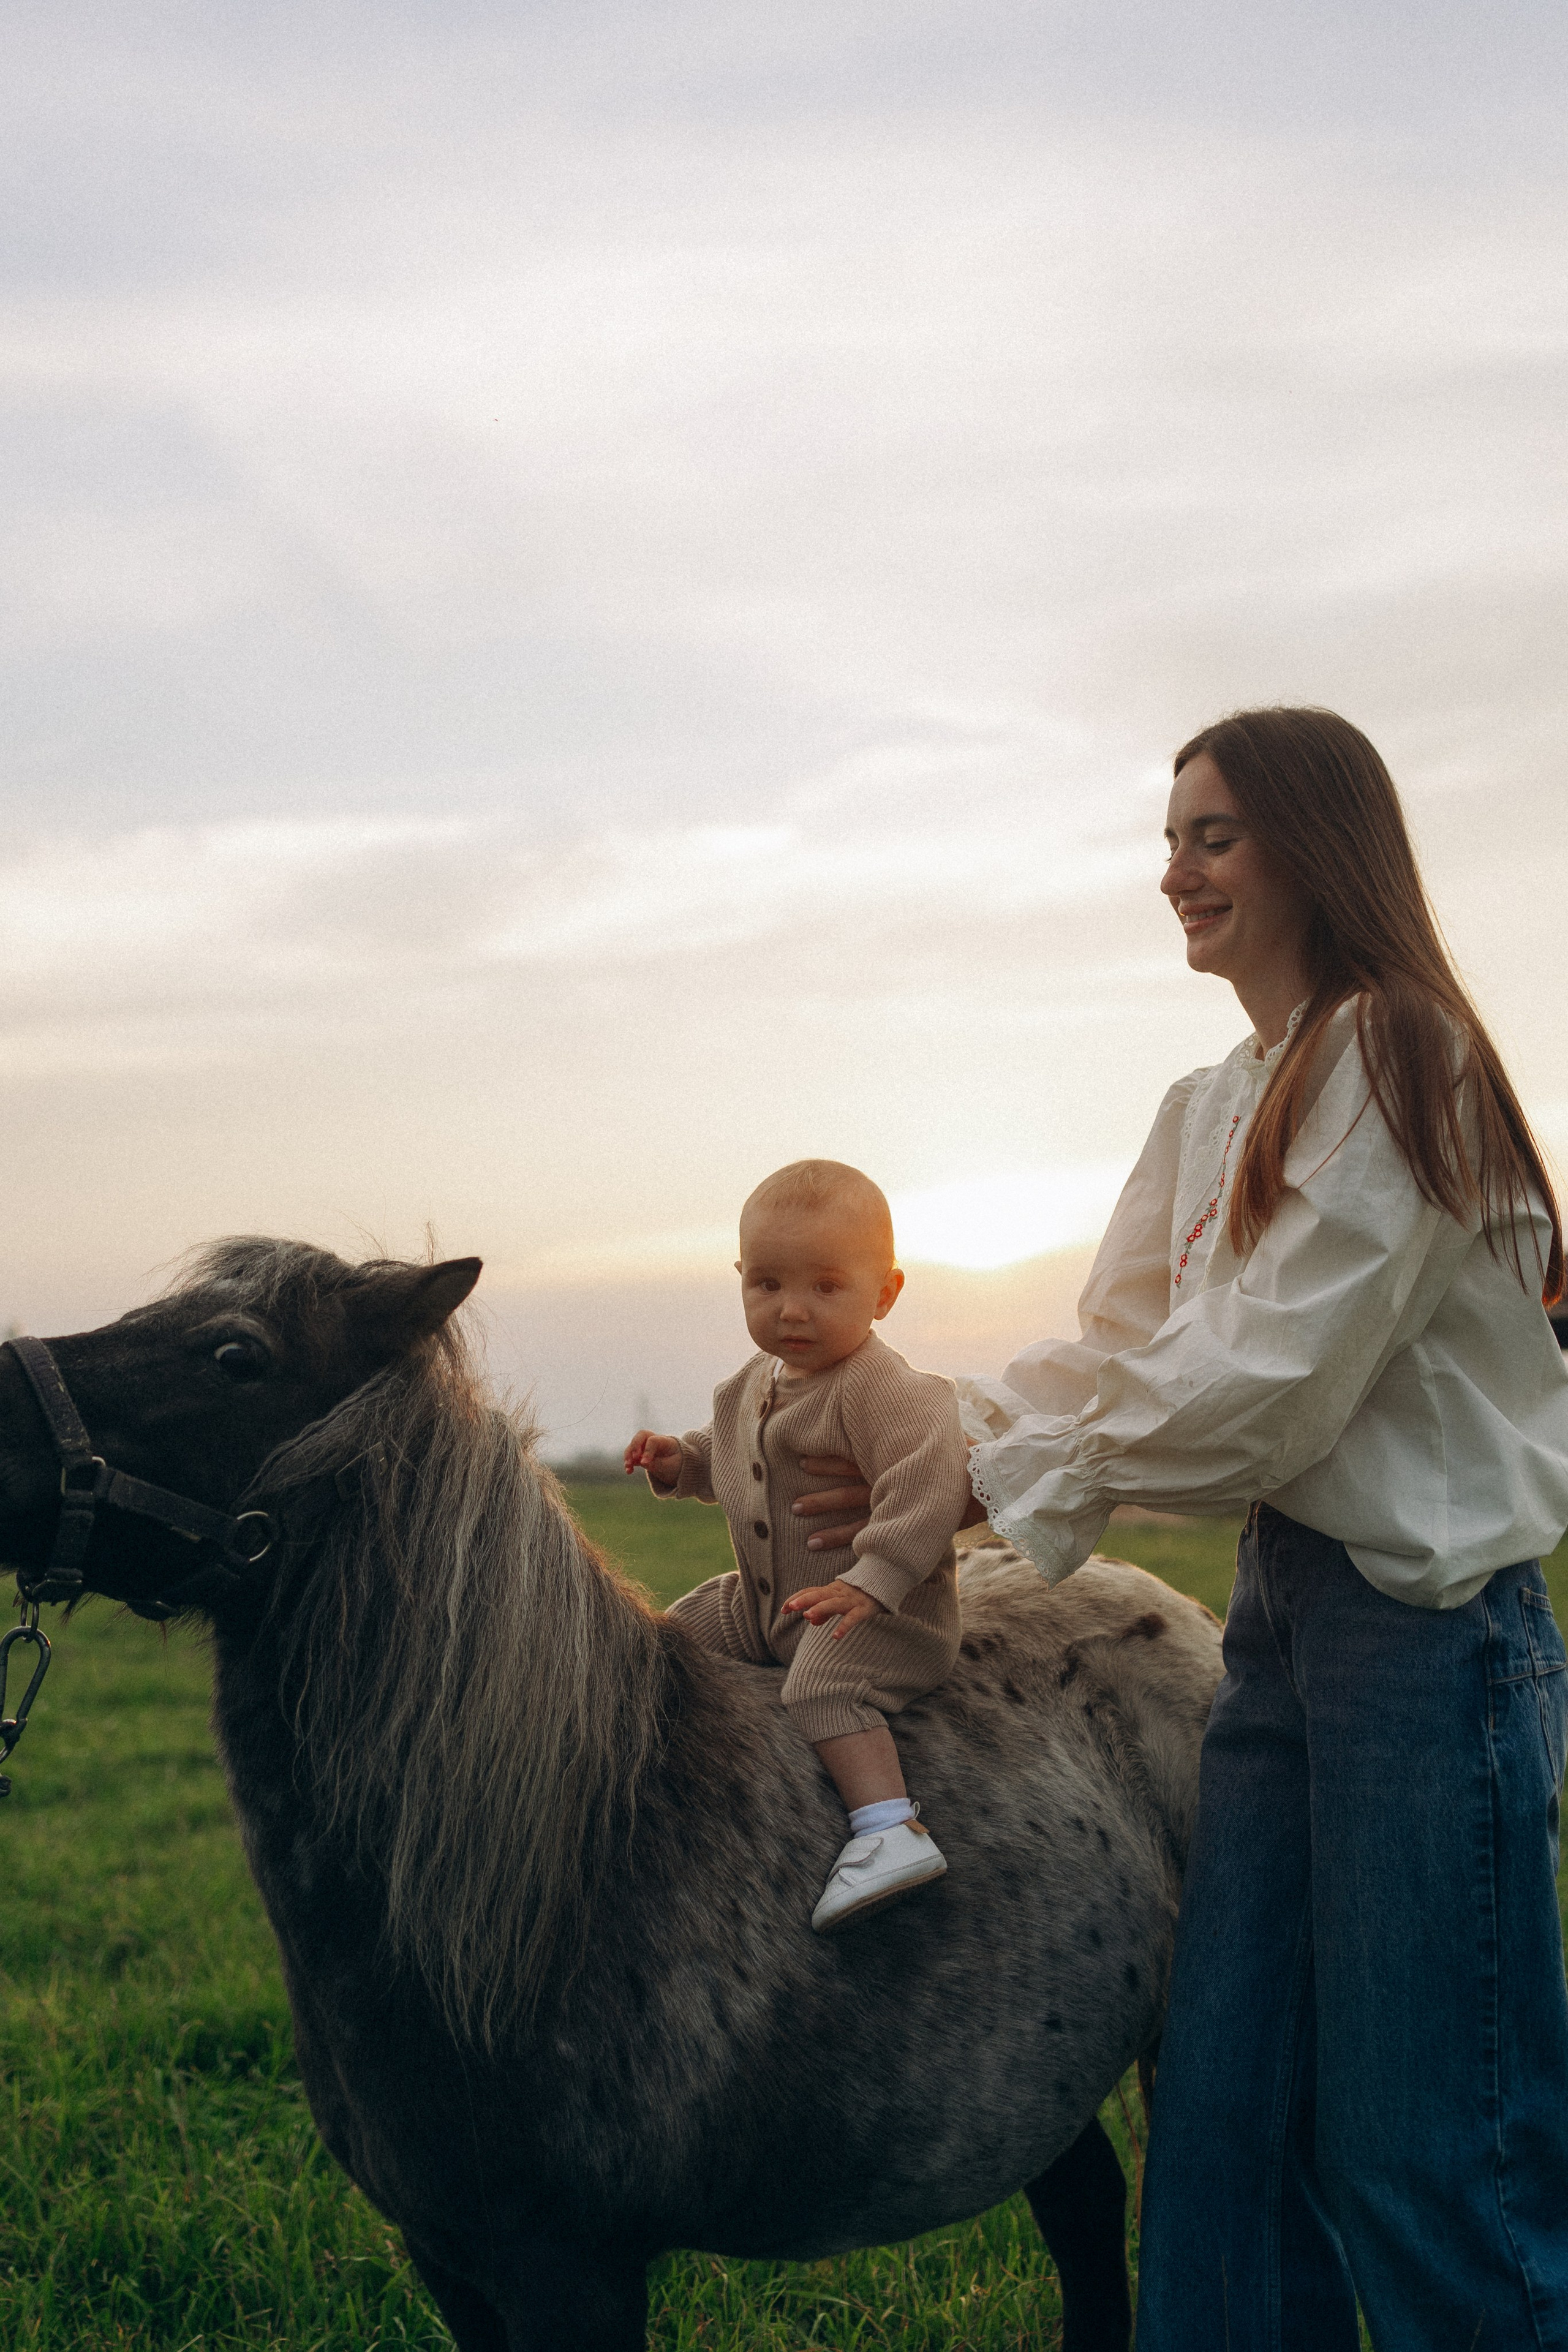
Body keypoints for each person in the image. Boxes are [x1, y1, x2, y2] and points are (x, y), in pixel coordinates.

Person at [797, 707, 1568, 2346]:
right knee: (1224, 2119)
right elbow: (1123, 1345)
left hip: (1428, 1645)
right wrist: (929, 1455)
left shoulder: (1400, 1050)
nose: (1176, 873)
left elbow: (1264, 1383)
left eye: (1213, 836)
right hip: (1279, 1624)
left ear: (1314, 844)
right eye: (1172, 840)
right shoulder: (1213, 1098)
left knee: (1430, 2152)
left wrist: (996, 1499)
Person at [624, 1158, 973, 1932]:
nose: (792, 1310)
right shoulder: (749, 1384)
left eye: (825, 1286)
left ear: (883, 1293)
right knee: (673, 1637)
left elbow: (928, 1485)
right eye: (769, 1285)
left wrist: (872, 1579)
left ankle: (888, 1829)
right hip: (773, 1605)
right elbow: (736, 1457)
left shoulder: (886, 1389)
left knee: (818, 1689)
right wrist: (680, 1464)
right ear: (741, 1279)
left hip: (878, 1615)